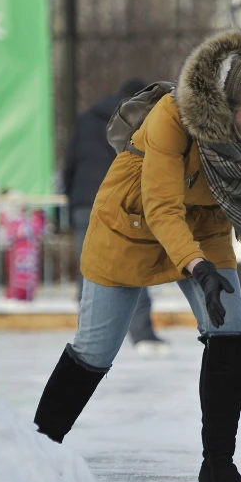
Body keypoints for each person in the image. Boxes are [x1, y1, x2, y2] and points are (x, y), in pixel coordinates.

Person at [32, 29, 241, 482]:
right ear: (232, 104)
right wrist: (196, 266)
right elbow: (162, 205)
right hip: (129, 228)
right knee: (94, 350)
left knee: (230, 332)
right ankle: (36, 451)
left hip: (203, 229)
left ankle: (218, 468)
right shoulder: (175, 116)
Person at [62, 78, 172, 355]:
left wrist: (69, 200)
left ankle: (89, 335)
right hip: (120, 201)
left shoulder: (87, 119)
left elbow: (70, 162)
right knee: (134, 264)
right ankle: (143, 335)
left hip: (84, 203)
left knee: (88, 269)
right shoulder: (142, 117)